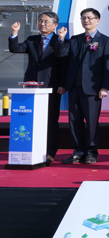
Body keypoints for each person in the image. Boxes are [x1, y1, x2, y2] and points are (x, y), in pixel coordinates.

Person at [8, 12, 68, 163]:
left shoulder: (60, 41)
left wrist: (62, 84)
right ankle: (31, 149)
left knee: (50, 120)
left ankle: (50, 152)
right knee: (31, 118)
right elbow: (15, 49)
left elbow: (63, 64)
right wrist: (14, 33)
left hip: (51, 86)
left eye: (46, 22)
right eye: (40, 21)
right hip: (31, 85)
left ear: (55, 25)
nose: (42, 24)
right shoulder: (32, 39)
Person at [59, 8, 109, 164]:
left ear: (97, 20)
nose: (86, 21)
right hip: (74, 87)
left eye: (90, 18)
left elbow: (108, 66)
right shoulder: (74, 40)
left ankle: (91, 152)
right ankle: (78, 151)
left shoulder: (105, 41)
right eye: (83, 18)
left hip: (93, 89)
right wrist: (62, 40)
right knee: (74, 120)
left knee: (91, 121)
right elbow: (63, 59)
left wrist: (105, 87)